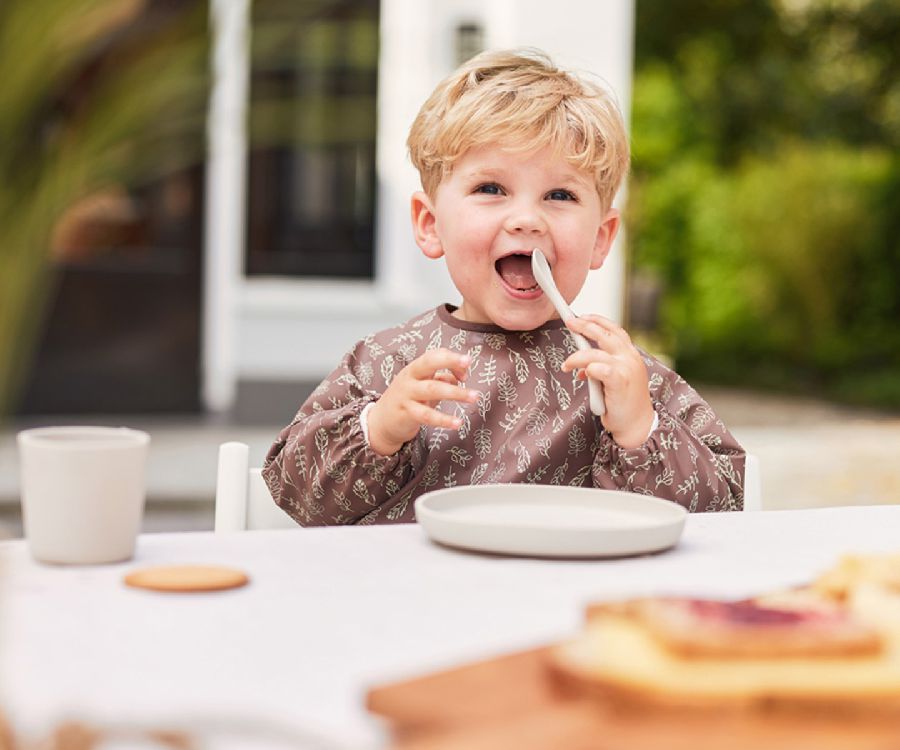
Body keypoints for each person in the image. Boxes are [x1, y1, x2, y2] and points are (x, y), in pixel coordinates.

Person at [262, 48, 745, 526]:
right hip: (416, 597)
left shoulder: (623, 375)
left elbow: (725, 509)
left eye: (560, 195)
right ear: (430, 224)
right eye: (491, 189)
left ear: (601, 239)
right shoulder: (386, 362)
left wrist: (641, 428)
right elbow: (294, 492)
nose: (527, 219)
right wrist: (380, 428)